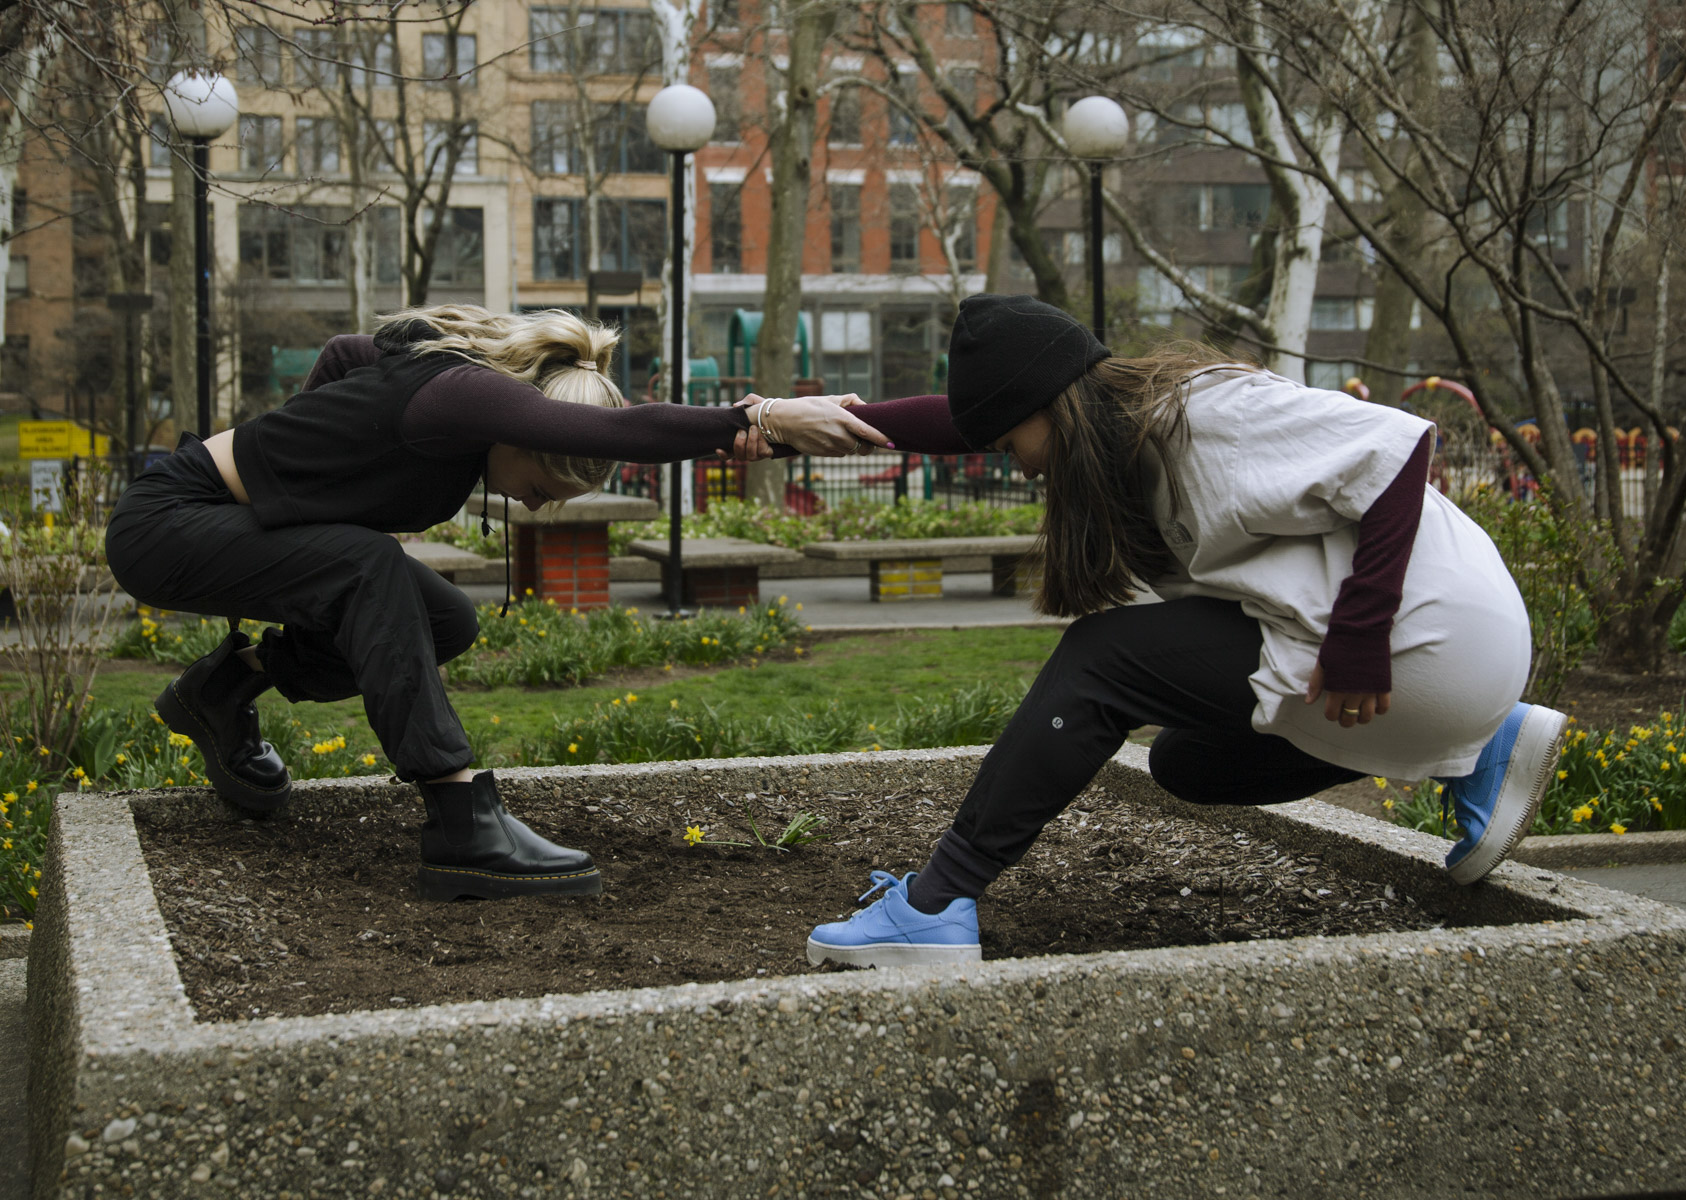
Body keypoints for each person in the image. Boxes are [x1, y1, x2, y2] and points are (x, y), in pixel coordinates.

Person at [732, 294, 1566, 968]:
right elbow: (960, 421)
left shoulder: (1202, 417)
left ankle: (937, 902)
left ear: (1049, 406)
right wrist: (777, 424)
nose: (1014, 463)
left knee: (1103, 658)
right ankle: (1477, 751)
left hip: (1420, 636)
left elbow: (1400, 445)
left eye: (1011, 437)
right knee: (1187, 762)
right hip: (1436, 668)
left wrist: (1360, 632)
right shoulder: (1112, 428)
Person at [105, 304, 890, 902]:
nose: (542, 507)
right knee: (369, 566)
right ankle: (459, 823)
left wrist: (315, 469)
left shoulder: (440, 402)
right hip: (169, 522)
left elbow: (350, 354)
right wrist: (760, 417)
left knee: (447, 617)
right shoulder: (458, 397)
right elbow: (638, 432)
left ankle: (227, 684)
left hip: (225, 522)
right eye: (545, 488)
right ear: (521, 431)